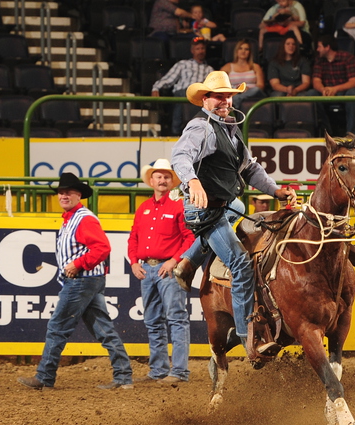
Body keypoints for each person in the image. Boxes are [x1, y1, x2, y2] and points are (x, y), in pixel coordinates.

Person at [170, 70, 298, 355]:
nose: (225, 100)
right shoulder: (200, 127)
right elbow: (180, 156)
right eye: (219, 96)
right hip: (204, 211)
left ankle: (189, 261)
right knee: (240, 263)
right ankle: (248, 337)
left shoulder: (230, 129)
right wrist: (191, 181)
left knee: (239, 206)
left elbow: (250, 168)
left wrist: (275, 191)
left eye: (228, 95)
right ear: (205, 99)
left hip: (223, 204)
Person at [17, 173, 133, 391]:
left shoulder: (83, 219)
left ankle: (45, 376)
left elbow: (102, 248)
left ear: (78, 195)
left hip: (81, 280)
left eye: (68, 192)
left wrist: (78, 264)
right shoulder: (75, 218)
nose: (63, 195)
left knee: (58, 326)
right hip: (89, 280)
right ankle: (123, 376)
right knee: (103, 328)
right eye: (61, 192)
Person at [128, 160, 195, 384]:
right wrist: (134, 262)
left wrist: (174, 261)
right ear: (152, 180)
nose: (163, 180)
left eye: (167, 177)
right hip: (147, 269)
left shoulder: (178, 206)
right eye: (159, 176)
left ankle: (179, 371)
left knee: (176, 318)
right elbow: (134, 237)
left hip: (168, 269)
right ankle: (158, 370)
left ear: (170, 181)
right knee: (153, 320)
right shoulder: (143, 208)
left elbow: (189, 238)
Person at [151, 37, 213, 136]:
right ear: (192, 51)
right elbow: (169, 79)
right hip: (183, 92)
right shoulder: (183, 64)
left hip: (200, 96)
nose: (201, 51)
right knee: (183, 94)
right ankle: (176, 131)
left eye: (202, 48)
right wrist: (156, 88)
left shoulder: (209, 69)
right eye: (198, 49)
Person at [311, 34, 355, 136]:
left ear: (327, 47)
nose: (317, 49)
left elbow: (354, 81)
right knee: (310, 94)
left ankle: (351, 134)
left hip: (343, 92)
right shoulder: (319, 60)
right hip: (326, 93)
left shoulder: (347, 58)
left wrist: (335, 89)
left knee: (354, 93)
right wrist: (323, 90)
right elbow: (316, 81)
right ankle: (327, 132)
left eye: (319, 46)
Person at [221, 39, 265, 110]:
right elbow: (220, 84)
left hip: (252, 93)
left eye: (246, 49)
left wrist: (248, 89)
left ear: (249, 52)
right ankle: (237, 98)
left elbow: (260, 86)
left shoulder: (255, 67)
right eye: (240, 48)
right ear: (236, 51)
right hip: (235, 92)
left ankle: (237, 100)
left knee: (256, 89)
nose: (243, 51)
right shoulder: (227, 67)